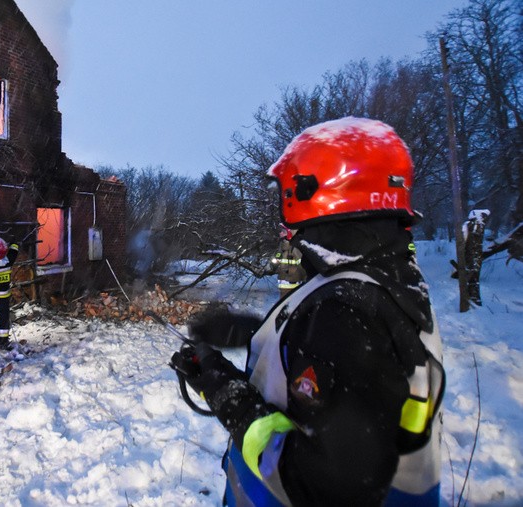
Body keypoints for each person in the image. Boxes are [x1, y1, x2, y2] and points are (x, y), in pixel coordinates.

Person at [172, 117, 445, 506]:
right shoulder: (386, 280)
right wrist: (253, 333)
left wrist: (226, 393)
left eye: (287, 192)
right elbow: (345, 379)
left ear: (312, 190)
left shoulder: (346, 313)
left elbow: (323, 488)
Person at [270, 225, 306, 298]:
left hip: (294, 289)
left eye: (283, 231)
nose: (280, 233)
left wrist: (306, 284)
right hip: (283, 287)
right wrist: (274, 263)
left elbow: (303, 268)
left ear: (290, 233)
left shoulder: (296, 248)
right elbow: (275, 264)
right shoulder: (282, 246)